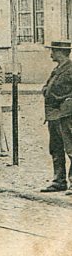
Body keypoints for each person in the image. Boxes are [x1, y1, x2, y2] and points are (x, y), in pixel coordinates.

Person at [39, 41, 72, 193]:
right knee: (56, 148)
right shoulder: (57, 69)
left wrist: (65, 100)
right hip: (53, 115)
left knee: (70, 148)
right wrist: (47, 90)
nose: (51, 53)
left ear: (60, 52)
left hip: (65, 114)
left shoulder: (70, 69)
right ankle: (59, 181)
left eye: (52, 50)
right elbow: (47, 86)